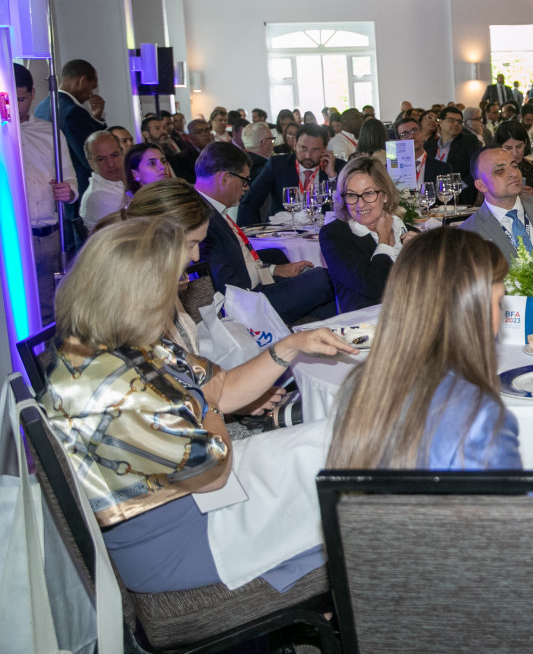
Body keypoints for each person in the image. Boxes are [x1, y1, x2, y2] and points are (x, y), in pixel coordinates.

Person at [38, 216, 356, 594]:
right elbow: (214, 471)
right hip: (175, 540)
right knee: (341, 483)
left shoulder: (117, 340)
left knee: (334, 446)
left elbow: (222, 387)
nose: (181, 287)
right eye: (174, 280)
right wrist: (210, 408)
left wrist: (289, 347)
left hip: (190, 492)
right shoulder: (112, 384)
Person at [326, 227, 533, 581]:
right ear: (470, 311)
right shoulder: (476, 414)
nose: (499, 317)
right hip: (475, 604)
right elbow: (520, 565)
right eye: (498, 302)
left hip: (389, 592)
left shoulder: (360, 386)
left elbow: (452, 497)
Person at [196, 143, 337, 325]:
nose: (247, 187)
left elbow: (241, 260)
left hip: (257, 286)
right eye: (244, 181)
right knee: (324, 278)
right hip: (249, 305)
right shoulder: (202, 218)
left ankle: (336, 325)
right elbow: (227, 285)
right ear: (224, 178)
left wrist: (275, 270)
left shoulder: (212, 209)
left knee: (320, 291)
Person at [14, 63, 77, 324]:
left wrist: (68, 191)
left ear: (32, 93)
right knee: (16, 313)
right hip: (12, 238)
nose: (16, 106)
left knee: (50, 312)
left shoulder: (50, 132)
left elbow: (70, 178)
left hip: (47, 236)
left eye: (21, 99)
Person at [320, 156, 418, 311]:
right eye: (351, 195)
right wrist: (384, 240)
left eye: (369, 193)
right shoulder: (335, 235)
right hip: (368, 322)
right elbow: (374, 287)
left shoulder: (409, 231)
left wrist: (426, 253)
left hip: (417, 316)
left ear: (385, 195)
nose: (360, 204)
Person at [459, 147, 533, 262]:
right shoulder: (469, 235)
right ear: (482, 185)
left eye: (515, 166)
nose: (514, 173)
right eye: (500, 170)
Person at [33, 59, 106, 233]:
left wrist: (96, 118)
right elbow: (90, 157)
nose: (91, 94)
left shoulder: (42, 107)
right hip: (76, 196)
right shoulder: (74, 112)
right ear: (82, 81)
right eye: (92, 87)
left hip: (48, 193)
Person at [238, 123, 337, 225]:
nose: (308, 155)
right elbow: (249, 202)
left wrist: (332, 177)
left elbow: (342, 207)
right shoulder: (278, 165)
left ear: (324, 149)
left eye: (315, 150)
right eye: (303, 148)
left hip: (322, 230)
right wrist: (245, 234)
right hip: (282, 230)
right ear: (295, 145)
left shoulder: (336, 167)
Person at [79, 131, 127, 231]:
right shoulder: (98, 195)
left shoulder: (128, 178)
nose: (110, 164)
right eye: (101, 159)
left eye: (114, 155)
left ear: (122, 153)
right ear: (91, 163)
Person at [424, 105, 479, 192]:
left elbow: (478, 168)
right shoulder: (429, 146)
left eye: (459, 121)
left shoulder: (469, 141)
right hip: (433, 192)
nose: (456, 124)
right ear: (441, 122)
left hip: (460, 193)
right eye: (451, 120)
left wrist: (458, 187)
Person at [394, 116, 452, 190]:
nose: (411, 136)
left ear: (422, 133)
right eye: (404, 134)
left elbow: (445, 195)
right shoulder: (392, 170)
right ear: (399, 141)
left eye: (415, 130)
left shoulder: (442, 168)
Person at [493, 119, 533, 196]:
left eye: (519, 146)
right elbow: (480, 202)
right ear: (499, 147)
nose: (515, 153)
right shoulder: (491, 170)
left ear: (525, 143)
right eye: (508, 148)